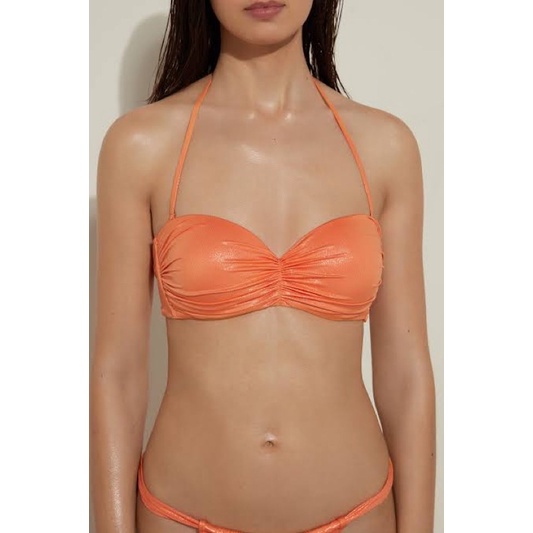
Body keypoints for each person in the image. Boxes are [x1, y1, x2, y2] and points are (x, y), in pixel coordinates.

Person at [90, 1, 436, 532]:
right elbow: (117, 375)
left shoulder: (385, 148)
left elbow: (406, 375)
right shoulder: (141, 146)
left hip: (357, 516)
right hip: (181, 517)